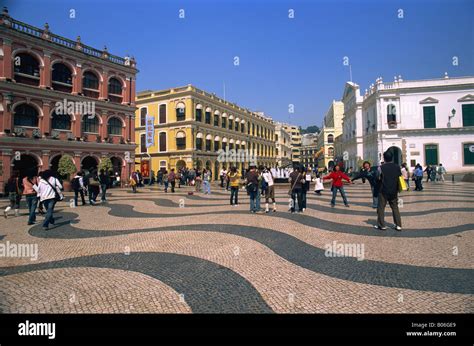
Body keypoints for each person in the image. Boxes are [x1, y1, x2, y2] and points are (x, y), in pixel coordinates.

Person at [374, 150, 403, 231]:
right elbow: (399, 176)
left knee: (381, 208)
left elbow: (377, 178)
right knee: (395, 207)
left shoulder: (381, 167)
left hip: (383, 190)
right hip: (394, 190)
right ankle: (398, 225)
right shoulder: (397, 167)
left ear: (384, 158)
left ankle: (382, 225)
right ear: (392, 158)